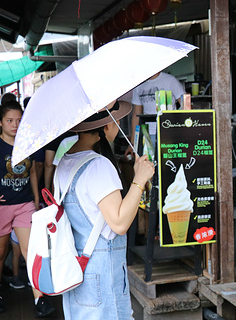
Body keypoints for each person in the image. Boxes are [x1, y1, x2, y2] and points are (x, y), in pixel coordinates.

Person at [56, 100, 154, 319]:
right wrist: (139, 179)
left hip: (77, 270)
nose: (118, 124)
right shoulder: (98, 166)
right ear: (106, 125)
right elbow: (118, 223)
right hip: (101, 273)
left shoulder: (65, 160)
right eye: (116, 119)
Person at [0, 100, 55, 316]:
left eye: (19, 121)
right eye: (10, 120)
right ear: (0, 122)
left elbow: (32, 173)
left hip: (24, 204)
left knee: (30, 252)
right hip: (0, 206)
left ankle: (39, 299)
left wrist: (36, 201)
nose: (15, 125)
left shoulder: (28, 143)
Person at [126, 71, 185, 156]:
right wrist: (132, 143)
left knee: (168, 162)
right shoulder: (138, 85)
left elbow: (185, 104)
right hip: (147, 134)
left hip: (168, 132)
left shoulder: (170, 80)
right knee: (150, 165)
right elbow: (136, 115)